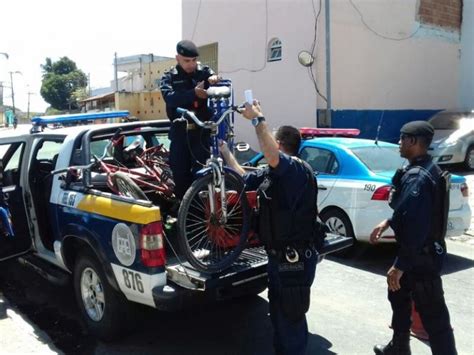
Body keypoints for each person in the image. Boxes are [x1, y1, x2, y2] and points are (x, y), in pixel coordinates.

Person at [219, 101, 320, 355]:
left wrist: (257, 119)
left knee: (290, 319)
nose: (267, 148)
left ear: (282, 144)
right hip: (278, 259)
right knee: (279, 316)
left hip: (294, 260)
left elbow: (272, 154)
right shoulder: (271, 174)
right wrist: (225, 153)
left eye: (272, 141)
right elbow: (243, 177)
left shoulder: (297, 169)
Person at [370, 121, 457, 355]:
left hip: (420, 257)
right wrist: (388, 222)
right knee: (397, 295)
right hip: (418, 254)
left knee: (433, 316)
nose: (399, 143)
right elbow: (408, 211)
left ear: (413, 141)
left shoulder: (419, 177)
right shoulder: (423, 169)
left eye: (402, 139)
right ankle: (399, 347)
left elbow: (417, 226)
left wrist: (400, 265)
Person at [160, 40, 220, 199]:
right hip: (180, 133)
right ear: (177, 58)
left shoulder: (203, 72)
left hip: (200, 134)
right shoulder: (169, 76)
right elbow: (170, 99)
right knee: (180, 176)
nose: (191, 64)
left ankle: (202, 215)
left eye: (194, 60)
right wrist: (193, 93)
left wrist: (214, 79)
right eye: (187, 61)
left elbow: (215, 79)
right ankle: (182, 214)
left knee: (203, 175)